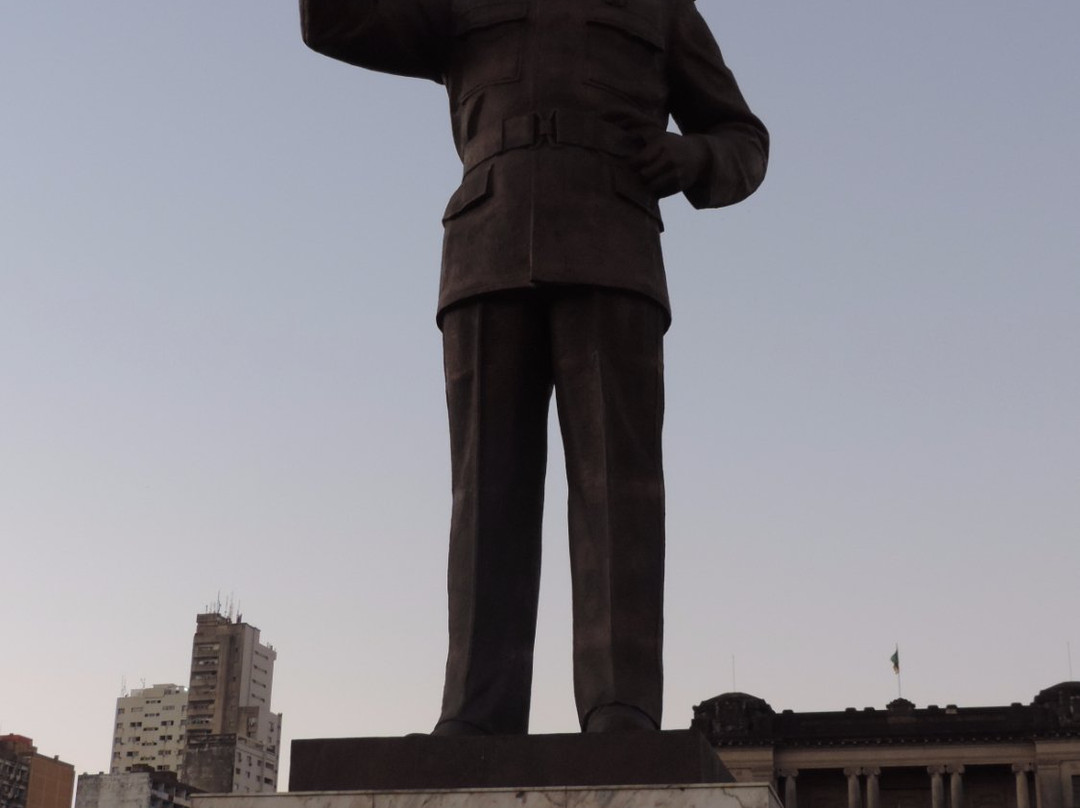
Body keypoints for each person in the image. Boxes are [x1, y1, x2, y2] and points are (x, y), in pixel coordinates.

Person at [300, 0, 768, 736]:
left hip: (611, 245)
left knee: (620, 489)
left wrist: (693, 158)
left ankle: (620, 704)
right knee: (485, 493)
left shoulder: (662, 7)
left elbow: (743, 138)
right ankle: (478, 710)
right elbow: (335, 23)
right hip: (486, 250)